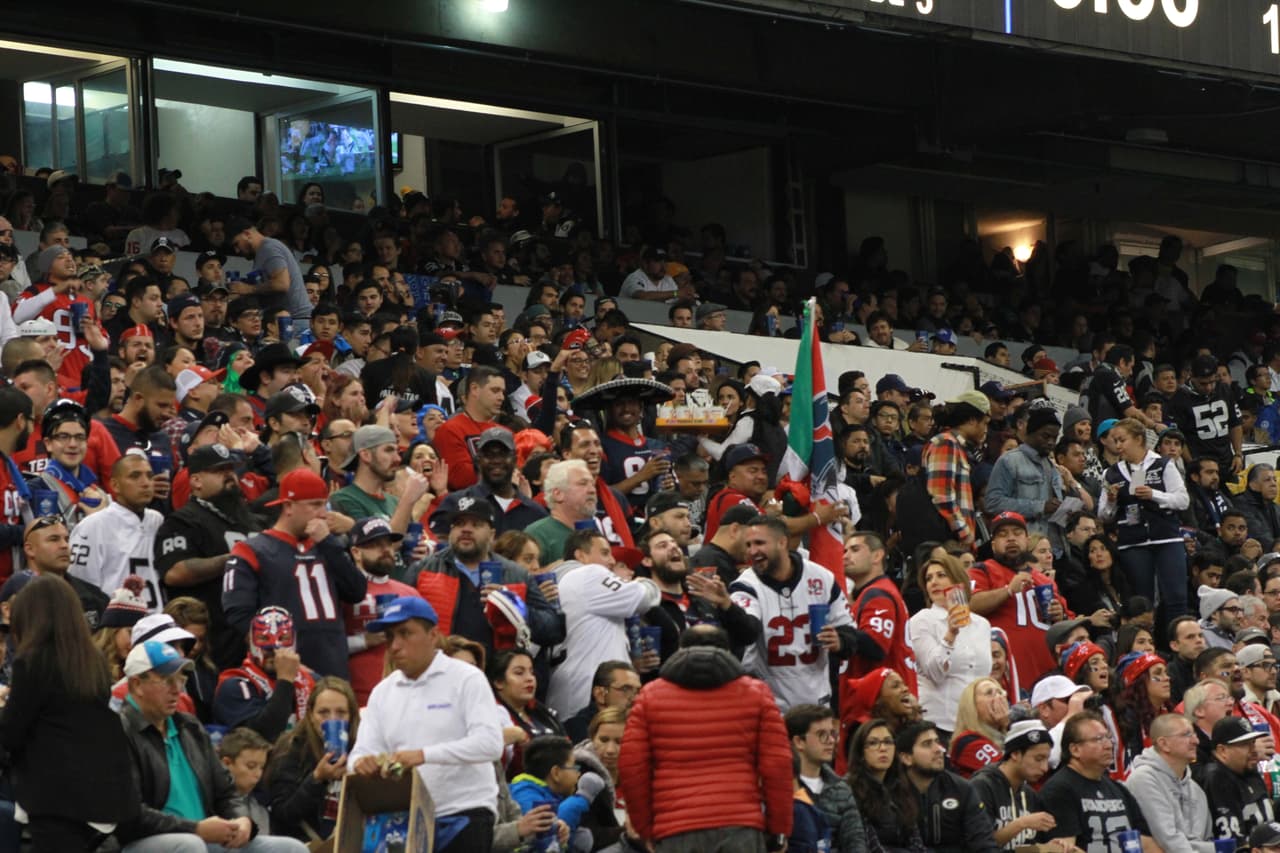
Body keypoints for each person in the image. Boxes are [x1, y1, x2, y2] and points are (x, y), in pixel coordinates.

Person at [118, 639, 309, 853]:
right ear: (136, 685)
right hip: (146, 842)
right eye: (165, 680)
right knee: (190, 845)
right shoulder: (118, 732)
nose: (177, 689)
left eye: (180, 679)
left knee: (291, 849)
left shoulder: (190, 727)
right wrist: (195, 828)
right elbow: (130, 816)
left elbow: (227, 792)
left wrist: (242, 821)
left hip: (204, 838)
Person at [348, 596, 505, 853]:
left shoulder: (466, 678)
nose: (395, 645)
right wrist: (361, 763)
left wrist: (423, 755)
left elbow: (490, 744)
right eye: (390, 637)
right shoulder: (382, 692)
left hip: (463, 811)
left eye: (405, 633)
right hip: (405, 818)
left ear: (433, 635)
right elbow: (361, 752)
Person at [618, 626, 794, 852]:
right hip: (740, 825)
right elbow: (778, 766)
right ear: (728, 652)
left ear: (681, 651)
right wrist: (779, 830)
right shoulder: (756, 693)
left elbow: (633, 768)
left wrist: (645, 828)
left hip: (676, 828)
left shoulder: (650, 695)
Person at [0, 575, 139, 852]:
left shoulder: (33, 661)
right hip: (103, 796)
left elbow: (11, 733)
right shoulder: (94, 661)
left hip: (55, 798)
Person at [223, 468, 368, 678]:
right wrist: (275, 656)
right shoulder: (253, 550)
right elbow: (238, 615)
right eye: (314, 505)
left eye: (324, 504)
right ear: (288, 506)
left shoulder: (329, 546)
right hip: (283, 674)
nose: (323, 513)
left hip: (333, 668)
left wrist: (329, 543)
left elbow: (357, 591)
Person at [732, 515, 856, 710]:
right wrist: (726, 606)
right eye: (748, 545)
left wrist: (840, 641)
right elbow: (746, 628)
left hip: (818, 704)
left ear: (782, 542)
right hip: (768, 706)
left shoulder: (821, 578)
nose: (752, 551)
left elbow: (850, 632)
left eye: (759, 543)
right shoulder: (745, 585)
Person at [155, 443, 261, 671]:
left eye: (231, 469)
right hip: (212, 644)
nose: (230, 475)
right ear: (196, 481)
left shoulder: (250, 519)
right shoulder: (183, 521)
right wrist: (234, 559)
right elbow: (175, 572)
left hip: (255, 640)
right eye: (219, 471)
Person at [545, 528, 661, 717]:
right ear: (580, 555)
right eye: (605, 553)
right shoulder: (587, 574)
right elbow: (642, 598)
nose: (612, 561)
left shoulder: (561, 582)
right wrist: (646, 583)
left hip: (571, 688)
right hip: (590, 693)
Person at [1098, 417, 1191, 622]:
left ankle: (1179, 641)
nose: (1118, 446)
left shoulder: (1163, 464)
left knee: (1176, 597)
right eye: (1115, 441)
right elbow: (1103, 515)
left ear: (1139, 439)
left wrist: (1154, 495)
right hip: (1133, 541)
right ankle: (1146, 645)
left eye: (1122, 440)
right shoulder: (1111, 473)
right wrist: (1112, 501)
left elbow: (1183, 500)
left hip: (1166, 538)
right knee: (1141, 600)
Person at [968, 511, 1071, 683]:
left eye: (1017, 533)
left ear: (1027, 540)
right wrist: (1008, 590)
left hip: (1048, 673)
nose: (1010, 539)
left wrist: (1061, 615)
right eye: (1003, 535)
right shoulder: (982, 570)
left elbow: (1067, 625)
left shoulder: (1045, 580)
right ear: (993, 545)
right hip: (1005, 676)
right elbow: (971, 605)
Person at [1036, 711, 1153, 851]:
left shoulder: (1118, 789)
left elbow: (1146, 842)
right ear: (1075, 749)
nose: (1109, 745)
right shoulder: (1059, 790)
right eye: (1098, 739)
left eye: (1108, 738)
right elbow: (1064, 848)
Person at [266, 676, 360, 844]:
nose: (332, 719)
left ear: (351, 716)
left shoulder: (362, 747)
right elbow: (282, 816)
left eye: (341, 713)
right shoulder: (290, 750)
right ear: (310, 715)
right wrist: (317, 779)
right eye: (323, 712)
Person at [67, 451, 163, 610]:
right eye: (135, 476)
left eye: (149, 475)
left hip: (156, 622)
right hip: (114, 626)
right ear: (115, 485)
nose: (145, 483)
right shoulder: (93, 526)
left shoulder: (157, 520)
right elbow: (80, 586)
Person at [909, 553, 992, 736]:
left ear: (958, 580)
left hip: (976, 726)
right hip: (938, 725)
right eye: (929, 578)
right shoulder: (922, 620)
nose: (934, 582)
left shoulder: (982, 625)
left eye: (941, 575)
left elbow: (984, 675)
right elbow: (934, 672)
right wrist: (950, 635)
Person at [213, 606, 316, 742]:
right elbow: (263, 734)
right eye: (263, 638)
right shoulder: (235, 685)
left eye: (283, 638)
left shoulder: (311, 681)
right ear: (250, 641)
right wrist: (285, 681)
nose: (273, 649)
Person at [896, 720, 999, 852]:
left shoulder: (961, 789)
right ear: (906, 758)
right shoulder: (891, 793)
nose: (938, 750)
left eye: (937, 742)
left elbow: (983, 843)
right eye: (927, 744)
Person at [1122, 713, 1215, 853]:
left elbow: (1207, 839)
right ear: (1163, 743)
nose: (1196, 741)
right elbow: (1168, 840)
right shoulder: (1144, 780)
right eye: (1186, 734)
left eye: (1194, 735)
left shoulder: (1196, 790)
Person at [969, 720, 1067, 852]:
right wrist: (1021, 824)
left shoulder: (1029, 795)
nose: (1044, 768)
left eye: (1046, 759)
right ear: (1015, 754)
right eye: (1038, 759)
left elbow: (1019, 849)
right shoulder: (982, 787)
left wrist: (1049, 847)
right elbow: (978, 846)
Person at [784, 704, 867, 853]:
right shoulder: (783, 788)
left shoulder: (841, 788)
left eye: (833, 734)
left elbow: (855, 841)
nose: (831, 741)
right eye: (822, 734)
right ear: (799, 742)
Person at [844, 531, 917, 691]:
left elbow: (875, 646)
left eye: (855, 550)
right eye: (845, 551)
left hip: (884, 700)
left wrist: (839, 632)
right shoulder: (876, 591)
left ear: (877, 556)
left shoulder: (878, 594)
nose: (846, 556)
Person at [508, 735, 605, 850]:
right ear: (556, 773)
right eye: (574, 767)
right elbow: (547, 840)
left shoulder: (552, 793)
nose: (578, 773)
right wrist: (582, 797)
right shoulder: (526, 796)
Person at [845, 717, 925, 851]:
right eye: (873, 743)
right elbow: (869, 845)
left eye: (888, 742)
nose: (883, 748)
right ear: (861, 752)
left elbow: (916, 841)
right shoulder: (850, 789)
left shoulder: (900, 787)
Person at [1196, 716, 1276, 846]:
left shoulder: (1248, 769)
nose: (1254, 750)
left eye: (1253, 742)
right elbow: (1233, 844)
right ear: (1222, 751)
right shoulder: (1217, 778)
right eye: (1245, 745)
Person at [489, 647, 566, 778]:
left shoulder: (545, 713)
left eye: (532, 672)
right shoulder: (493, 716)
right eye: (519, 673)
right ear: (499, 682)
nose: (529, 678)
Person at [562, 661, 640, 743]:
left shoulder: (639, 726)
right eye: (625, 689)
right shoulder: (577, 729)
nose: (635, 698)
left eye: (638, 691)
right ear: (600, 694)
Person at [217, 728, 273, 836]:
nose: (258, 774)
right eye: (251, 766)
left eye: (261, 767)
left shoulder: (261, 810)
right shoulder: (207, 804)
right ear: (226, 763)